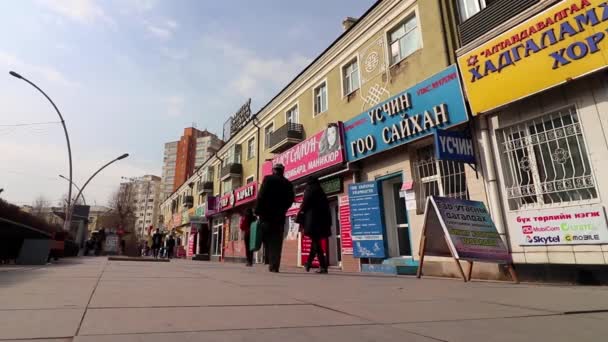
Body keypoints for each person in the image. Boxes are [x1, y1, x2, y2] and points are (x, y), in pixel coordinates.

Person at [255, 163, 295, 273]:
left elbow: (261, 195)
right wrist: (284, 208)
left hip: (266, 215)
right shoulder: (287, 183)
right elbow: (291, 199)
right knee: (277, 241)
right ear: (283, 171)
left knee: (266, 237)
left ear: (273, 170)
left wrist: (257, 210)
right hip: (279, 216)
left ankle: (269, 260)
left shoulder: (268, 179)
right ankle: (274, 265)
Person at [299, 177, 332, 274]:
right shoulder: (321, 191)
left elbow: (305, 203)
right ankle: (309, 263)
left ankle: (322, 266)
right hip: (322, 221)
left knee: (316, 243)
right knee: (315, 242)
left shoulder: (309, 189)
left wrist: (301, 212)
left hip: (313, 221)